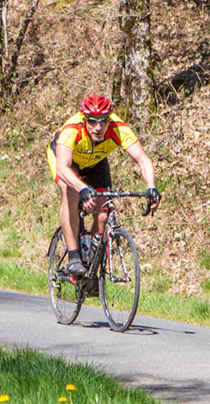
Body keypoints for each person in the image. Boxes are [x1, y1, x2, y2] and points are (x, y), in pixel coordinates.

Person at [48, 94, 160, 276]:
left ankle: (91, 265)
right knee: (71, 192)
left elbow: (142, 159)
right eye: (92, 122)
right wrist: (82, 188)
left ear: (110, 119)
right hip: (67, 162)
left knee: (103, 212)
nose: (98, 127)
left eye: (103, 121)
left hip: (95, 162)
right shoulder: (72, 130)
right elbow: (62, 167)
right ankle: (73, 256)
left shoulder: (118, 128)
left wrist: (151, 187)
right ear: (84, 119)